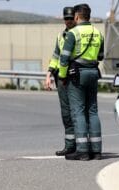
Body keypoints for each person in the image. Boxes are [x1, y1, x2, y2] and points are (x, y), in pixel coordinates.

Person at [58, 3, 104, 161]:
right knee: (92, 111)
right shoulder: (98, 33)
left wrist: (63, 77)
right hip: (93, 73)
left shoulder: (73, 33)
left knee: (78, 112)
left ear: (77, 16)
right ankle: (96, 151)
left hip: (77, 75)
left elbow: (63, 59)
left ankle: (83, 150)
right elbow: (101, 56)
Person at [45, 7, 76, 156]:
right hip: (60, 77)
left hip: (74, 76)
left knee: (77, 111)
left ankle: (81, 145)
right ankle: (70, 145)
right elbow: (56, 56)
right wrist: (49, 74)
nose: (69, 21)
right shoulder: (61, 36)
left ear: (75, 18)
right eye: (66, 19)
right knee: (66, 112)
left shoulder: (78, 34)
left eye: (71, 18)